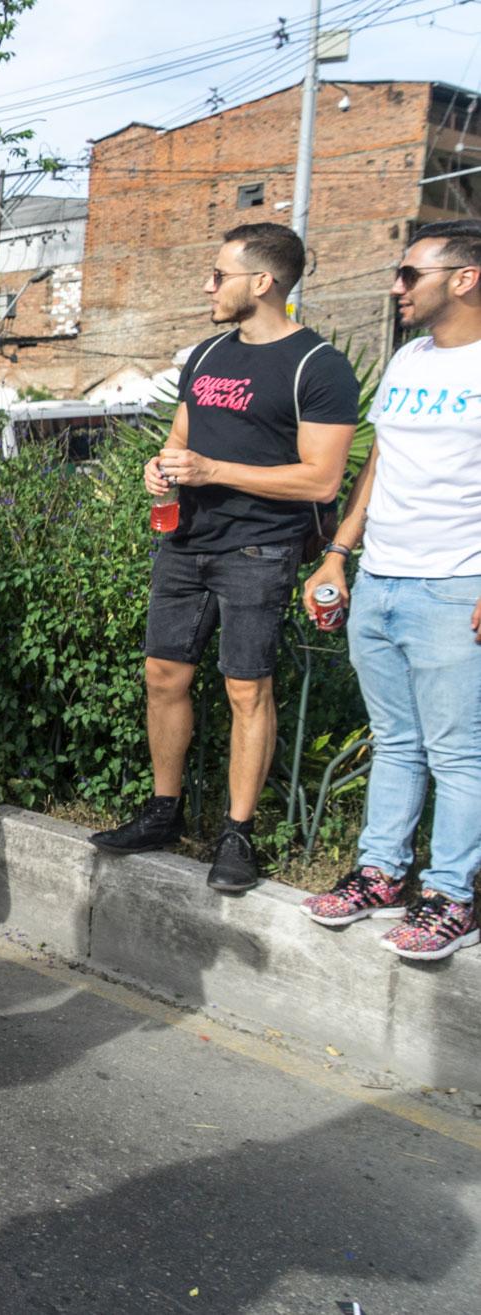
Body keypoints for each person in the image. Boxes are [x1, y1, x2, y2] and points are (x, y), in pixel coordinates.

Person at [90, 223, 358, 893]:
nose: (207, 285)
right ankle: (162, 810)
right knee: (163, 676)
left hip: (259, 547)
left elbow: (322, 479)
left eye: (219, 274)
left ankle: (236, 833)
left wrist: (214, 469)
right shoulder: (207, 354)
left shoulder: (315, 366)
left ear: (261, 282)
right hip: (184, 541)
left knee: (248, 688)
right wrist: (161, 467)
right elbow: (182, 437)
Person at [298, 220, 481, 959]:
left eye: (411, 274)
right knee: (397, 741)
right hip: (380, 578)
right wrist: (339, 552)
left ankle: (453, 896)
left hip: (455, 582)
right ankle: (381, 873)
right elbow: (382, 462)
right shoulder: (408, 358)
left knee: (459, 752)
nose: (397, 286)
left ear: (464, 278)